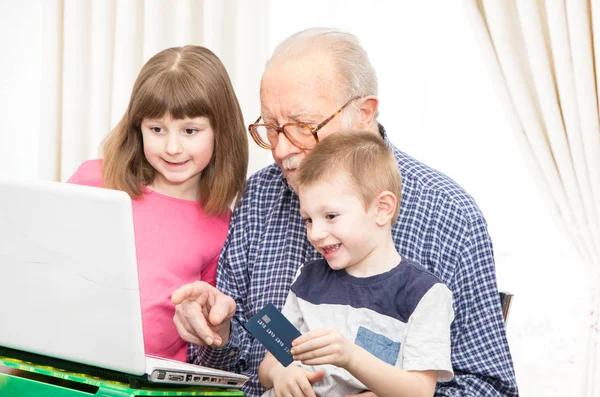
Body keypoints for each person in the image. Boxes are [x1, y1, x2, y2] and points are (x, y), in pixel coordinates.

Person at [172, 28, 518, 397]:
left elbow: (490, 388)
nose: (281, 150)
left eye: (304, 127)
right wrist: (218, 334)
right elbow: (229, 369)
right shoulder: (260, 195)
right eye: (271, 129)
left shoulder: (447, 214)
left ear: (365, 113)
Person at [68, 45, 248, 362]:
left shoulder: (222, 225)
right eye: (157, 129)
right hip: (66, 361)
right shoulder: (95, 179)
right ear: (138, 127)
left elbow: (204, 323)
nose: (173, 147)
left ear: (221, 132)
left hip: (150, 381)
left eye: (190, 130)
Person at [257, 131, 455, 397]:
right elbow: (268, 363)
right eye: (308, 219)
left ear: (382, 209)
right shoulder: (307, 279)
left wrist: (350, 357)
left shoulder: (423, 294)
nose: (315, 233)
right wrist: (280, 373)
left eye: (330, 216)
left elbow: (419, 391)